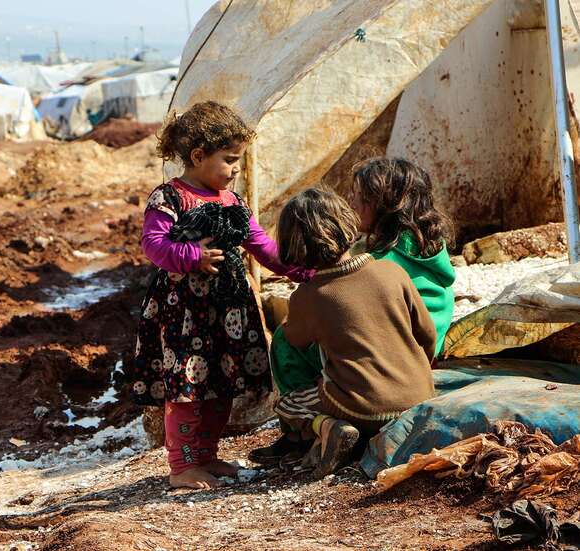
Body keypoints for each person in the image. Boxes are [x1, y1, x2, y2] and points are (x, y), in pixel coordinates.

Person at [126, 101, 313, 490]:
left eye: (238, 161)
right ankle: (182, 466)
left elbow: (263, 247)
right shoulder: (169, 199)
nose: (236, 170)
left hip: (228, 311)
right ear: (198, 156)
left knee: (221, 385)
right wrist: (191, 256)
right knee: (187, 388)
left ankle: (207, 456)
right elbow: (153, 245)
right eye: (230, 160)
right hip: (184, 314)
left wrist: (307, 272)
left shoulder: (233, 204)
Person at [250, 158, 456, 465]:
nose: (354, 204)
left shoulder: (316, 292)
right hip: (417, 381)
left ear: (384, 206)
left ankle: (309, 434)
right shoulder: (403, 261)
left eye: (360, 199)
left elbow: (293, 337)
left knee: (284, 350)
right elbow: (425, 334)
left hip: (364, 394)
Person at [272, 188, 436, 478]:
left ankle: (326, 429)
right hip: (420, 398)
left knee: (288, 403)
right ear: (347, 222)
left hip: (362, 408)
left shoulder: (309, 296)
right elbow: (427, 335)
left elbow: (294, 340)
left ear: (292, 245)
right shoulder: (392, 271)